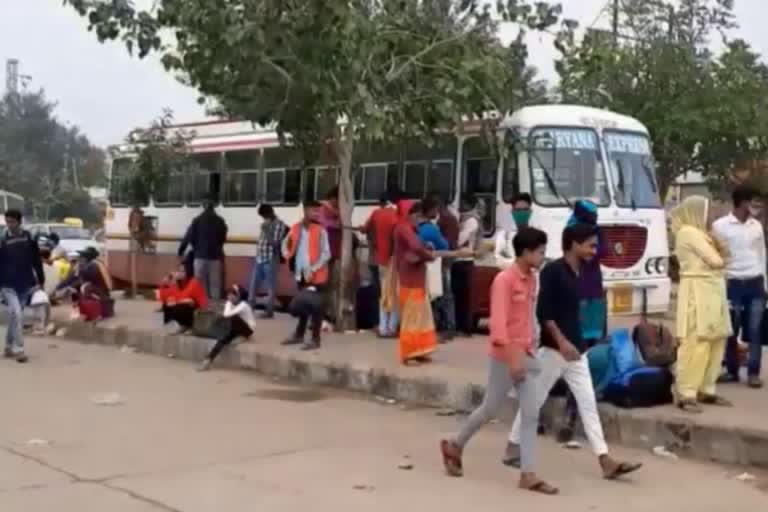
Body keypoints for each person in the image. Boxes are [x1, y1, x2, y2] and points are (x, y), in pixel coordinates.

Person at [503, 224, 642, 480]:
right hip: (555, 350)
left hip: (575, 352)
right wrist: (562, 342)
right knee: (534, 399)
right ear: (574, 244)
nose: (594, 250)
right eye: (590, 245)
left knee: (588, 403)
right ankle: (513, 446)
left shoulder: (580, 271)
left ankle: (605, 459)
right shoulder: (553, 272)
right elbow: (545, 314)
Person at [441, 228, 558, 495]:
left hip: (526, 354)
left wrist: (531, 346)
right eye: (539, 252)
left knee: (530, 413)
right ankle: (455, 445)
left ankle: (528, 474)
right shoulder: (504, 280)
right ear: (526, 252)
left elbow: (528, 317)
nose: (542, 257)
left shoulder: (532, 279)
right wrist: (514, 358)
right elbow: (499, 326)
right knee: (490, 409)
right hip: (506, 356)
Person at [671, 196, 734, 411]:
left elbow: (722, 258)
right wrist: (720, 251)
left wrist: (720, 252)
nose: (710, 215)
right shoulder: (688, 232)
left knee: (717, 341)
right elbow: (716, 260)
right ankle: (686, 393)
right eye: (707, 210)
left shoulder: (703, 234)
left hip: (713, 290)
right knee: (696, 344)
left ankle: (707, 389)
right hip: (697, 292)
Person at [557, 199, 607, 443]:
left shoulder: (570, 231)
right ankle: (571, 413)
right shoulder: (589, 235)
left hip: (588, 295)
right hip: (584, 296)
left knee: (580, 356)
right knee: (580, 356)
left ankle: (571, 412)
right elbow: (603, 253)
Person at [712, 186, 766, 388]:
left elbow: (762, 254)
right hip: (732, 283)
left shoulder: (756, 226)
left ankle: (753, 373)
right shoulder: (720, 226)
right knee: (730, 329)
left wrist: (765, 284)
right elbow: (715, 256)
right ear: (742, 203)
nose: (758, 207)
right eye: (754, 202)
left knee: (755, 330)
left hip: (755, 283)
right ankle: (732, 371)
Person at [281, 201, 331, 351]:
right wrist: (287, 256)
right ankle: (299, 334)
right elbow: (285, 244)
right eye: (313, 211)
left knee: (316, 307)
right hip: (300, 274)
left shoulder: (321, 230)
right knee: (304, 306)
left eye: (318, 211)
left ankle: (315, 339)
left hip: (317, 276)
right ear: (305, 211)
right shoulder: (295, 228)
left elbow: (326, 253)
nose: (316, 214)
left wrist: (313, 268)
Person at [394, 202, 438, 364]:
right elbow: (415, 246)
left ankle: (420, 350)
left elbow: (417, 245)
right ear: (410, 214)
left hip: (416, 280)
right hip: (410, 280)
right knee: (412, 320)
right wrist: (428, 255)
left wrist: (426, 247)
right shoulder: (403, 227)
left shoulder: (410, 228)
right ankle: (408, 353)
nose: (419, 220)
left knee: (421, 319)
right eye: (418, 216)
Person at [0, 209, 45, 363]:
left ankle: (7, 346)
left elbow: (36, 260)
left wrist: (41, 279)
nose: (10, 224)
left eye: (12, 221)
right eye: (8, 221)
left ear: (20, 222)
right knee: (18, 314)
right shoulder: (2, 238)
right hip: (7, 284)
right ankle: (19, 350)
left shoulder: (28, 237)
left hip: (26, 283)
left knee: (15, 316)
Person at [361, 192, 400, 337]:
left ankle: (383, 328)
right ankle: (392, 327)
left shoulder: (376, 213)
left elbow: (365, 229)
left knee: (383, 295)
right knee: (395, 294)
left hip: (380, 260)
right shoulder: (398, 215)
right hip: (395, 260)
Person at [178, 198, 228, 301]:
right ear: (213, 207)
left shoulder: (197, 220)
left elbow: (189, 237)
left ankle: (203, 310)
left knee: (201, 285)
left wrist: (182, 250)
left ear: (203, 206)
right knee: (215, 286)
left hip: (200, 257)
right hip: (215, 257)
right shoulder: (220, 221)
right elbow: (223, 238)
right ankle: (215, 310)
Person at [198, 285, 257, 371]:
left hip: (248, 329)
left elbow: (227, 315)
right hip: (235, 328)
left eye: (232, 295)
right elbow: (226, 314)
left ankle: (246, 337)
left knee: (233, 318)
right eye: (228, 295)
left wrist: (227, 308)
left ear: (238, 295)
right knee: (223, 339)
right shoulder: (229, 303)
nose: (229, 297)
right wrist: (228, 305)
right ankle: (208, 360)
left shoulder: (244, 305)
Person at [249, 204, 287, 318]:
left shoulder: (279, 224)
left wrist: (266, 230)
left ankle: (269, 311)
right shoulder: (265, 223)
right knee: (253, 284)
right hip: (260, 258)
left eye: (264, 215)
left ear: (270, 212)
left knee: (271, 286)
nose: (264, 218)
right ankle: (249, 307)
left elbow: (275, 243)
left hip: (270, 259)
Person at [430, 192, 459, 341]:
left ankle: (448, 327)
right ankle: (447, 326)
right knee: (444, 295)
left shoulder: (445, 220)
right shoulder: (451, 218)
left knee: (445, 295)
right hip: (448, 258)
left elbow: (443, 242)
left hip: (444, 260)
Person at [55, 247, 112, 322]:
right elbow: (71, 278)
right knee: (77, 287)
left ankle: (88, 311)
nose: (80, 258)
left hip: (100, 293)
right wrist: (58, 288)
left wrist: (66, 288)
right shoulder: (90, 265)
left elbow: (82, 280)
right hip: (98, 291)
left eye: (81, 256)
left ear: (86, 258)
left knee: (81, 288)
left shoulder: (93, 266)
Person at [453, 195, 482, 336]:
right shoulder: (464, 219)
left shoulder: (471, 221)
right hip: (460, 260)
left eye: (463, 203)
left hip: (464, 260)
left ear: (469, 204)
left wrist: (451, 244)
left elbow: (461, 239)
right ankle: (461, 326)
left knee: (463, 296)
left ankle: (464, 327)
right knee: (459, 295)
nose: (461, 205)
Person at [157, 265, 209, 334]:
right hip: (181, 304)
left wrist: (192, 303)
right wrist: (163, 285)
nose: (180, 273)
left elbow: (202, 301)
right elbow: (163, 298)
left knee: (183, 306)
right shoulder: (176, 283)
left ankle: (188, 326)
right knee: (167, 306)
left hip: (193, 309)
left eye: (183, 271)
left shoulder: (194, 283)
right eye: (179, 271)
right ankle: (178, 326)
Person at [495, 193, 533, 267]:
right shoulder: (504, 235)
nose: (522, 213)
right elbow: (499, 262)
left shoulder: (538, 234)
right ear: (512, 211)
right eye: (518, 210)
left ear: (530, 211)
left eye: (525, 209)